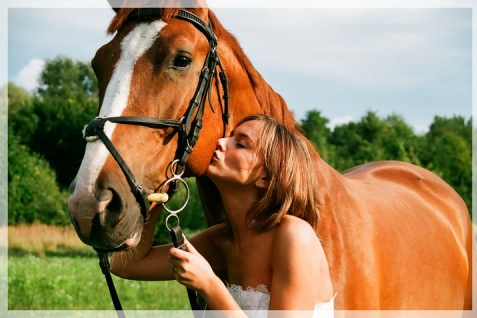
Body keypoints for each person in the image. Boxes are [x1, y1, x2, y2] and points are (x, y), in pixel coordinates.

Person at [110, 114, 335, 317]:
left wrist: (209, 286)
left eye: (240, 144)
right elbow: (125, 265)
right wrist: (160, 192)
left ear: (265, 178)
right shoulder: (222, 240)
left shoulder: (295, 235)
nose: (220, 143)